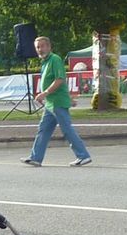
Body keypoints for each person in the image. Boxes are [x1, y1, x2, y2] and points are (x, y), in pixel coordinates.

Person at [21, 36, 92, 167]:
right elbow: (60, 82)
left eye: (42, 46)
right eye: (37, 47)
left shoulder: (55, 59)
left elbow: (60, 79)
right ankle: (36, 157)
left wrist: (45, 93)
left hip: (57, 102)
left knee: (67, 129)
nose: (40, 49)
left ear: (49, 47)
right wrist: (69, 98)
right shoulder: (46, 62)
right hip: (51, 103)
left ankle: (83, 155)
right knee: (43, 129)